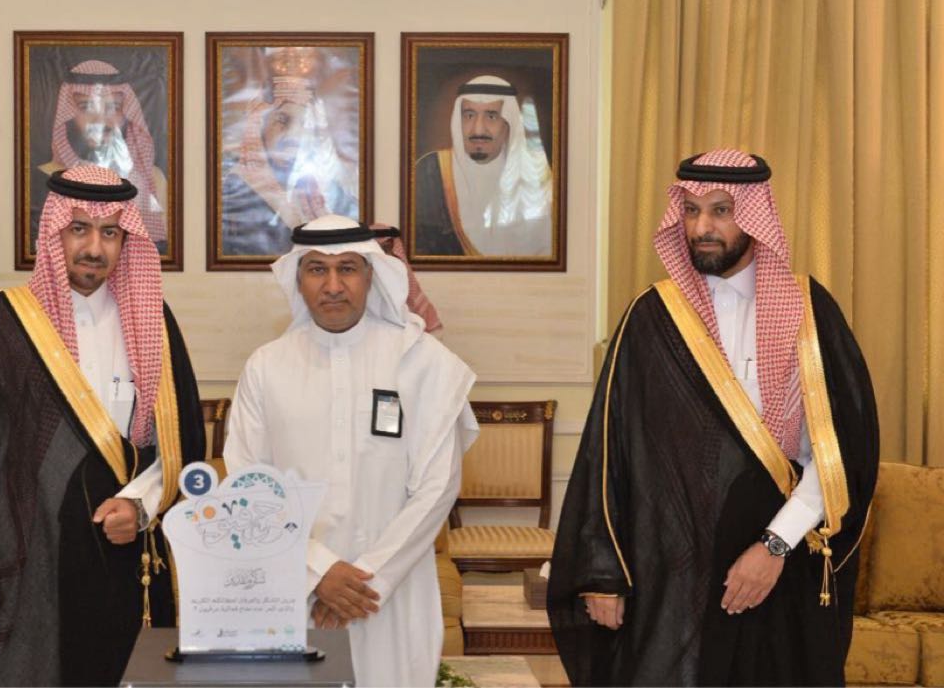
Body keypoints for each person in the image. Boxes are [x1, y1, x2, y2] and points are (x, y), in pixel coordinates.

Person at [547, 149, 879, 685]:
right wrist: (603, 574)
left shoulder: (810, 312)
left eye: (721, 210)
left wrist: (774, 544)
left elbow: (839, 452)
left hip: (783, 563)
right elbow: (610, 449)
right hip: (673, 567)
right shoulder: (652, 317)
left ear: (754, 215)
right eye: (691, 210)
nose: (702, 227)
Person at [0, 165, 205, 686]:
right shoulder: (0, 325)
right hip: (30, 572)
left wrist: (140, 506)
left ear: (127, 239)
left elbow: (182, 444)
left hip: (126, 563)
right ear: (53, 231)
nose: (94, 247)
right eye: (79, 229)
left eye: (110, 232)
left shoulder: (155, 322)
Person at [224, 215, 478, 686]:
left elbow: (437, 488)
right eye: (317, 269)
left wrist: (366, 581)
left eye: (347, 268)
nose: (333, 285)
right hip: (293, 590)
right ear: (298, 279)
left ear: (371, 274)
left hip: (392, 594)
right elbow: (248, 487)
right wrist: (318, 573)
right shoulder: (266, 367)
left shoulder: (423, 362)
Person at [221, 47, 359, 256]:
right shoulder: (231, 195)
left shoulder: (335, 196)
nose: (293, 137)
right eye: (282, 120)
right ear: (259, 127)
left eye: (305, 124)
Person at [413, 75, 553, 257]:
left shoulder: (535, 178)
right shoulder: (429, 172)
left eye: (491, 116)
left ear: (508, 123)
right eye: (469, 116)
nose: (478, 129)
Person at [45, 59, 168, 251]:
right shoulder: (47, 177)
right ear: (67, 115)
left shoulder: (152, 177)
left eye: (113, 107)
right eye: (86, 107)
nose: (101, 120)